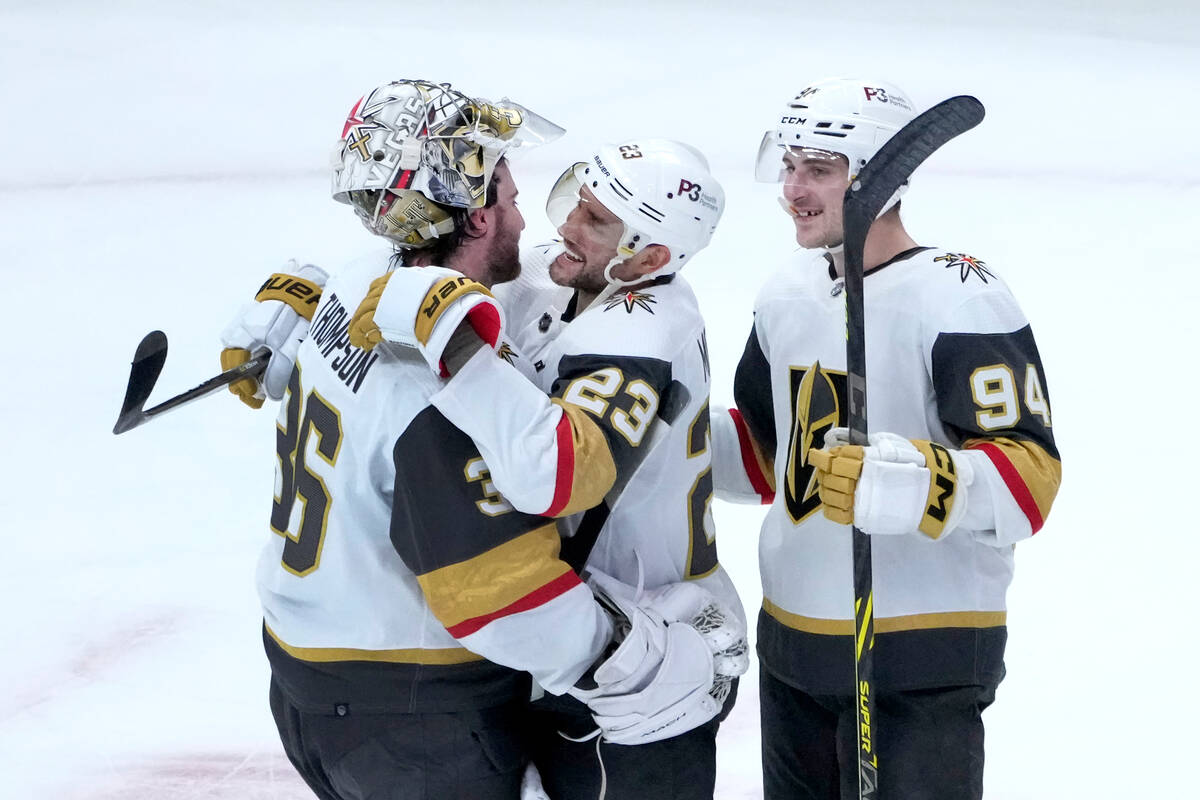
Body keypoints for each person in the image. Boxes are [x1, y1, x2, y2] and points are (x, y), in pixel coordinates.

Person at [219, 79, 739, 800]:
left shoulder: (357, 285)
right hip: (412, 707)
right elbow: (496, 588)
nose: (532, 218)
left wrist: (306, 299)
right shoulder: (448, 384)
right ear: (472, 218)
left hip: (301, 679)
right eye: (509, 193)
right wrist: (629, 662)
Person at [348, 137, 747, 799]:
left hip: (652, 663)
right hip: (575, 636)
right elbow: (430, 269)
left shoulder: (645, 330)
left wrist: (459, 347)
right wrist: (313, 300)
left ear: (647, 258)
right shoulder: (564, 275)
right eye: (576, 201)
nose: (565, 226)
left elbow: (556, 474)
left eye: (595, 221)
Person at [709, 77, 1062, 799]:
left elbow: (1030, 481)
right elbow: (767, 457)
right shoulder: (785, 293)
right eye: (789, 165)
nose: (792, 189)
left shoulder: (961, 294)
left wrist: (914, 485)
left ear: (879, 174)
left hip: (920, 657)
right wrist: (654, 452)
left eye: (819, 169)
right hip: (792, 651)